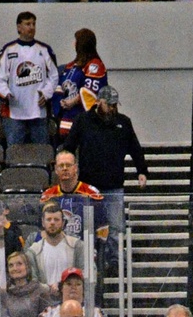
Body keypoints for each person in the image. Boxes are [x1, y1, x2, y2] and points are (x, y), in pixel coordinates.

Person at [62, 87, 148, 252]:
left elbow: (135, 148)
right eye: (109, 104)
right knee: (86, 227)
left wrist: (141, 171)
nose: (112, 108)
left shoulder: (124, 122)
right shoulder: (82, 121)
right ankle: (87, 261)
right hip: (87, 186)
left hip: (114, 185)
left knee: (116, 228)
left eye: (115, 105)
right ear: (98, 102)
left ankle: (115, 263)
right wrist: (67, 170)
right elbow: (69, 147)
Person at [0, 10, 57, 146]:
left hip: (39, 112)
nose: (32, 27)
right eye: (28, 24)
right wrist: (6, 94)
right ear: (19, 27)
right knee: (14, 152)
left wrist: (46, 93)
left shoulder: (45, 50)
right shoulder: (8, 50)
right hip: (14, 113)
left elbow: (54, 77)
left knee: (41, 152)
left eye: (34, 24)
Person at [55, 29, 109, 141]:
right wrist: (60, 101)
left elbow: (91, 92)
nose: (73, 44)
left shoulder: (95, 65)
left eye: (76, 41)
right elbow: (59, 86)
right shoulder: (70, 67)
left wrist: (73, 101)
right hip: (66, 119)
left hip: (85, 120)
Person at [27, 201, 82, 290]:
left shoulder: (77, 246)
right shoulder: (33, 251)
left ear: (63, 223)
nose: (52, 223)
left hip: (71, 298)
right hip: (44, 300)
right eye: (49, 219)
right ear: (43, 222)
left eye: (56, 219)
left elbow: (85, 274)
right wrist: (48, 288)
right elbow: (32, 281)